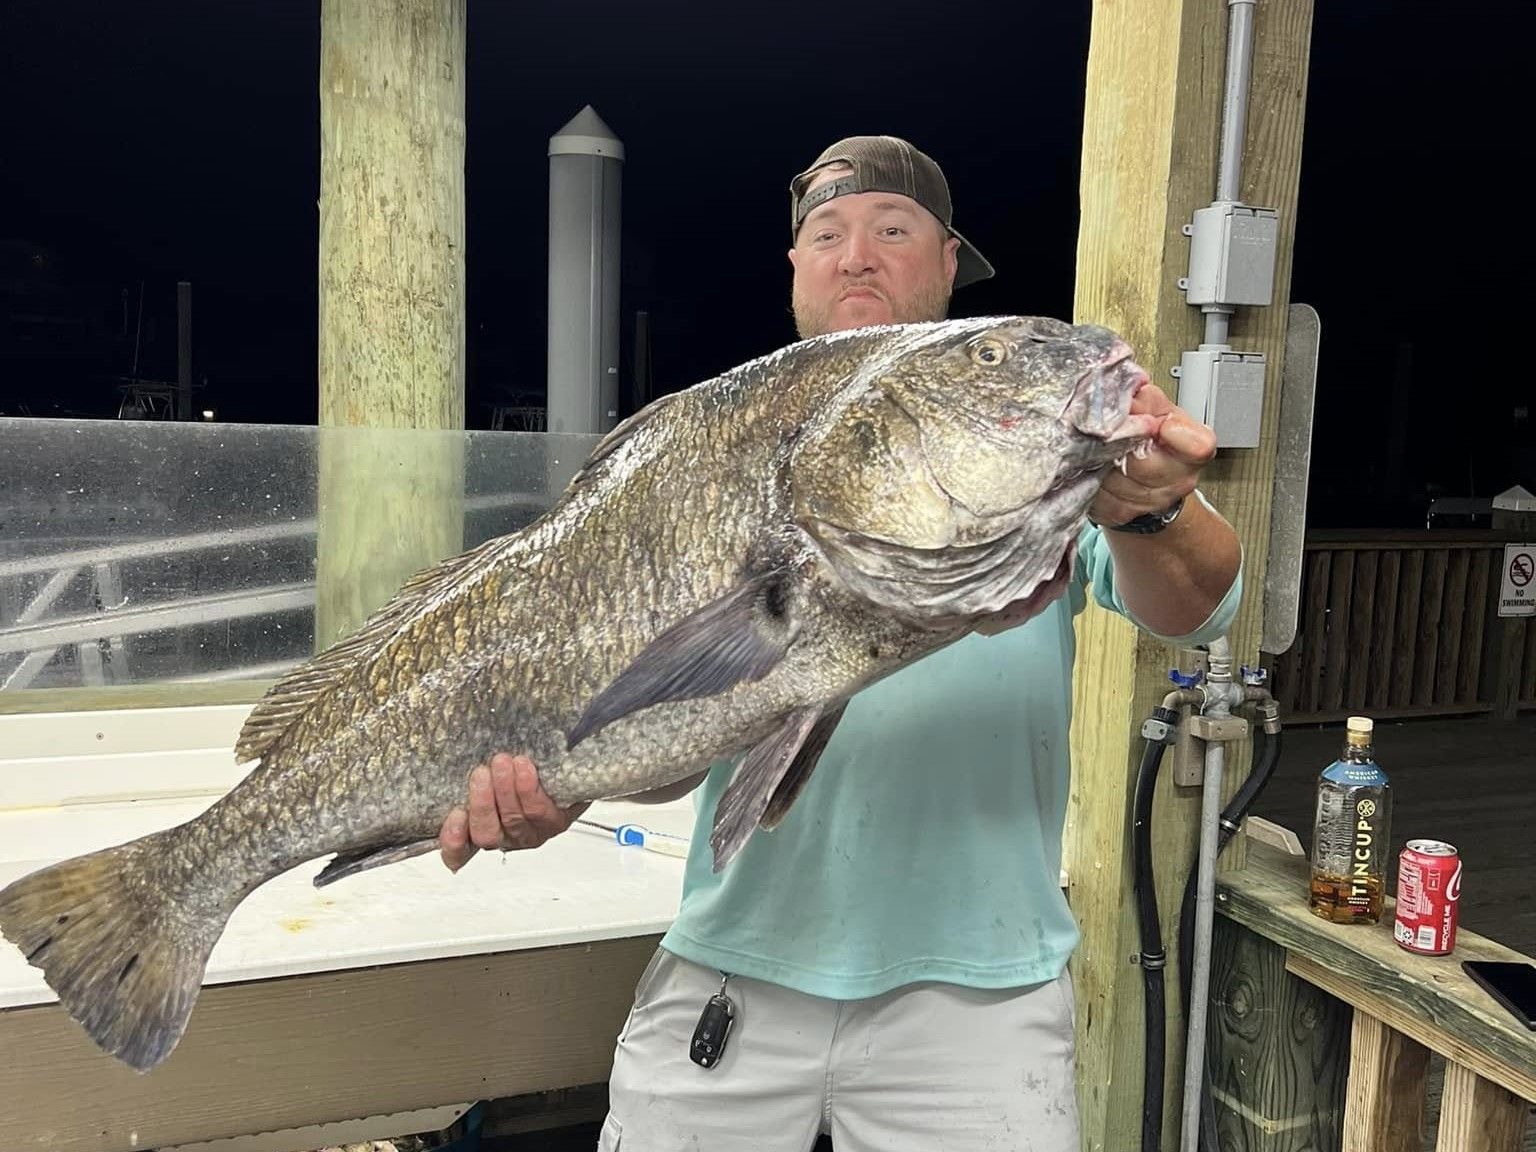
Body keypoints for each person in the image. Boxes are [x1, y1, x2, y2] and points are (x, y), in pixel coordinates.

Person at [438, 135, 1244, 1151]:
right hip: (734, 966)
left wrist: (1152, 512)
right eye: (828, 235)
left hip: (980, 997)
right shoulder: (712, 456)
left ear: (949, 263)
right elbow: (666, 735)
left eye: (893, 231)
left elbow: (1202, 607)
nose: (857, 255)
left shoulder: (1029, 440)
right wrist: (564, 782)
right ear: (795, 269)